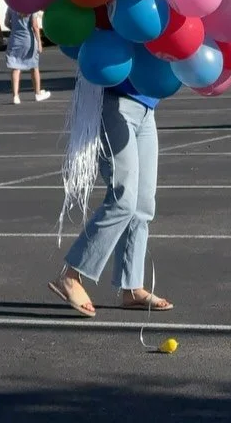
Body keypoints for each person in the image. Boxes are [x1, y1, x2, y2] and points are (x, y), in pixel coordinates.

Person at [48, 76, 173, 317]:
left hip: (147, 104)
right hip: (114, 99)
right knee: (123, 198)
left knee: (143, 204)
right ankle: (71, 275)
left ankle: (132, 288)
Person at [4, 9, 51, 105]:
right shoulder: (30, 7)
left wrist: (14, 29)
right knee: (34, 67)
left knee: (15, 67)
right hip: (28, 39)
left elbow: (6, 22)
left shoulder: (11, 7)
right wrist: (39, 43)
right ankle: (37, 94)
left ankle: (15, 96)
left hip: (15, 39)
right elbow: (35, 26)